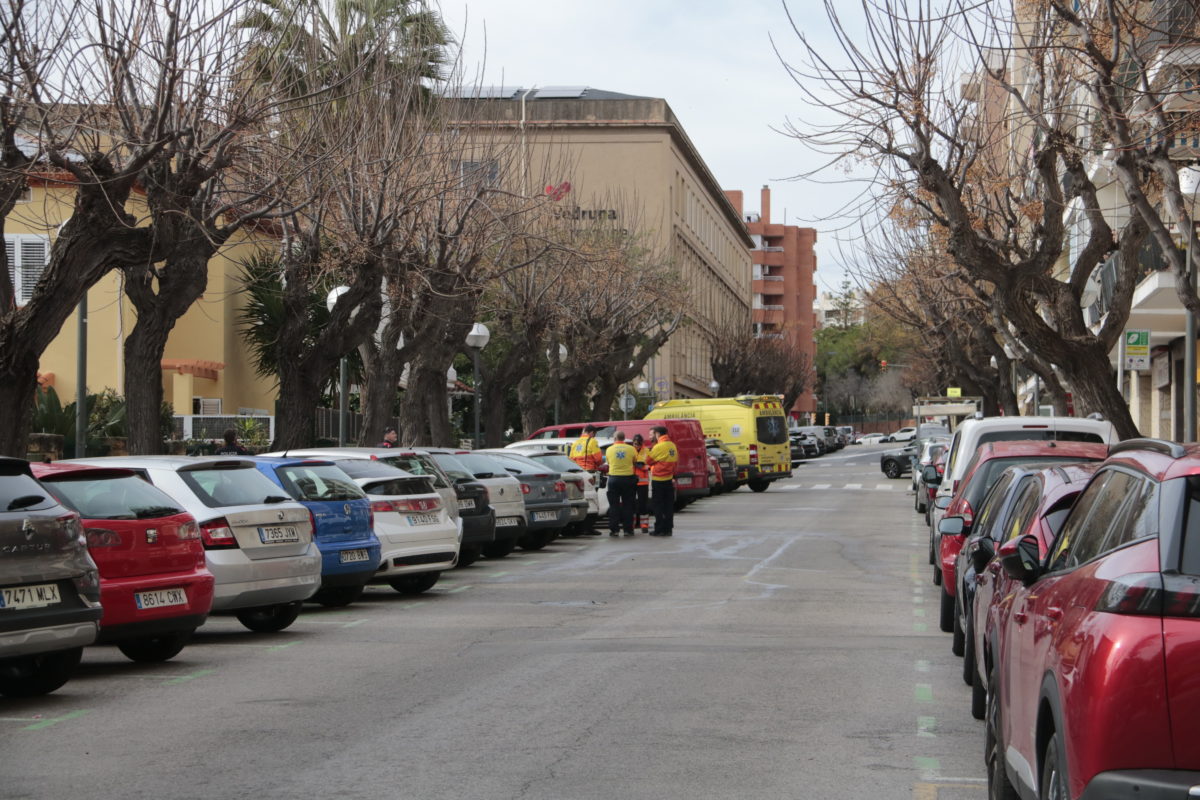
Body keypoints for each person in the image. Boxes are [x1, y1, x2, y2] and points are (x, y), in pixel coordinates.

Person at [644, 425, 678, 536]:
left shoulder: (659, 447)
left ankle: (659, 528)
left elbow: (648, 461)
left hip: (658, 480)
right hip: (669, 479)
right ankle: (668, 528)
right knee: (668, 506)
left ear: (658, 434)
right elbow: (676, 461)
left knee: (658, 506)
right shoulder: (672, 445)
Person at [604, 431, 638, 537]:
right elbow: (634, 462)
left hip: (614, 479)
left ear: (615, 438)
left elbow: (608, 463)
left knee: (614, 505)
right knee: (628, 505)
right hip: (628, 479)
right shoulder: (631, 449)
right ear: (624, 438)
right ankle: (628, 530)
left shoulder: (609, 450)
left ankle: (614, 530)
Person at [631, 433, 651, 534]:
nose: (637, 445)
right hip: (631, 480)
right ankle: (632, 524)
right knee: (631, 504)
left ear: (642, 443)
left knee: (643, 504)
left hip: (643, 482)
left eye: (638, 444)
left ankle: (644, 525)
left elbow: (650, 465)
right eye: (635, 444)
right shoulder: (630, 450)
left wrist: (642, 466)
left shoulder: (646, 450)